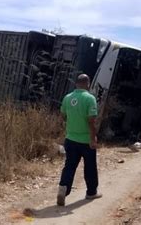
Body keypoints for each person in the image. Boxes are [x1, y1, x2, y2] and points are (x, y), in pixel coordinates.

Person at [57, 74, 102, 206]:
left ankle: (62, 189)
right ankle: (91, 192)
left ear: (76, 84)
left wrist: (71, 124)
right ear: (88, 84)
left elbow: (64, 115)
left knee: (69, 166)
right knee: (90, 167)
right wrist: (93, 138)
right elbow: (92, 121)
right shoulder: (90, 99)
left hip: (70, 139)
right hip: (85, 140)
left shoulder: (67, 97)